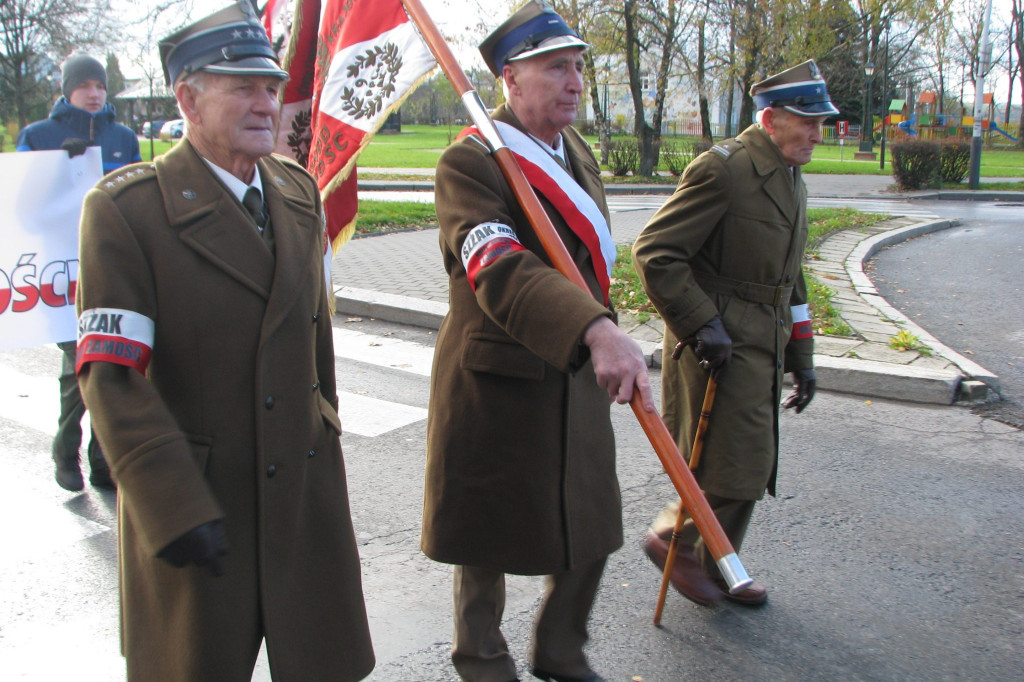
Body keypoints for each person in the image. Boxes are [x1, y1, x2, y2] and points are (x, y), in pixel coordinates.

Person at [73, 3, 374, 680]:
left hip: (302, 494)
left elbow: (312, 337)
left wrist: (324, 422)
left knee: (321, 663)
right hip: (203, 504)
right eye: (242, 87)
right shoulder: (128, 213)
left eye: (270, 86)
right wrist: (170, 503)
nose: (267, 102)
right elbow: (111, 375)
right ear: (187, 98)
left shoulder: (297, 192)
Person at [421, 3, 654, 681]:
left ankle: (560, 646)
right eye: (556, 67)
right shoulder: (471, 162)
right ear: (510, 80)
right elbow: (495, 265)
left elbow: (586, 257)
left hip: (577, 368)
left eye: (578, 67)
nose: (574, 81)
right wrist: (594, 327)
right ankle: (482, 659)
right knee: (484, 535)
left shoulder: (575, 152)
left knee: (592, 519)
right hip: (496, 377)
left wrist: (597, 333)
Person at [631, 60, 839, 607]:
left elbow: (788, 281)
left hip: (761, 340)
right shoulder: (724, 170)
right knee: (729, 463)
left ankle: (720, 560)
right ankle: (674, 539)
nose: (819, 134)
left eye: (822, 124)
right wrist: (702, 324)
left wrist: (804, 356)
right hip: (718, 342)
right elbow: (655, 252)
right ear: (770, 118)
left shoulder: (791, 177)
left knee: (751, 460)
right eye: (808, 122)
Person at [17, 53, 141, 492]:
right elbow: (21, 210)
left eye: (100, 86)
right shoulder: (39, 135)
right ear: (68, 89)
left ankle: (103, 458)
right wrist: (61, 171)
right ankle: (66, 451)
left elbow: (137, 196)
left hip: (114, 268)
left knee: (114, 362)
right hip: (60, 276)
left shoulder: (122, 136)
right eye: (85, 85)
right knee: (79, 366)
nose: (94, 94)